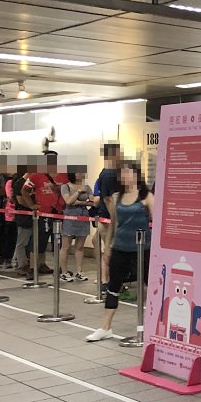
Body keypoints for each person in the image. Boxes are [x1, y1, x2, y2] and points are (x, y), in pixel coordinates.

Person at [85, 160, 154, 342]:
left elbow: (158, 223)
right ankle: (105, 326)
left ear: (137, 174)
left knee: (150, 285)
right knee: (113, 286)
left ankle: (152, 325)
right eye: (122, 173)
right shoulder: (116, 197)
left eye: (129, 173)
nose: (125, 176)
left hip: (143, 248)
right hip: (120, 247)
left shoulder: (146, 196)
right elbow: (114, 224)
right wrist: (108, 248)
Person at [94, 143, 122, 297]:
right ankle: (106, 282)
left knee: (112, 251)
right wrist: (115, 219)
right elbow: (108, 199)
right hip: (108, 219)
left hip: (110, 218)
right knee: (110, 251)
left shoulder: (109, 172)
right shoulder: (109, 174)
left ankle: (110, 281)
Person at [59, 169, 93, 282]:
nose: (81, 173)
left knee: (80, 246)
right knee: (66, 246)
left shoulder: (87, 187)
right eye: (78, 171)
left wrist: (80, 202)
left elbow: (92, 202)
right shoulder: (65, 186)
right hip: (70, 216)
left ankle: (79, 271)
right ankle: (64, 272)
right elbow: (68, 201)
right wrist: (78, 192)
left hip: (83, 216)